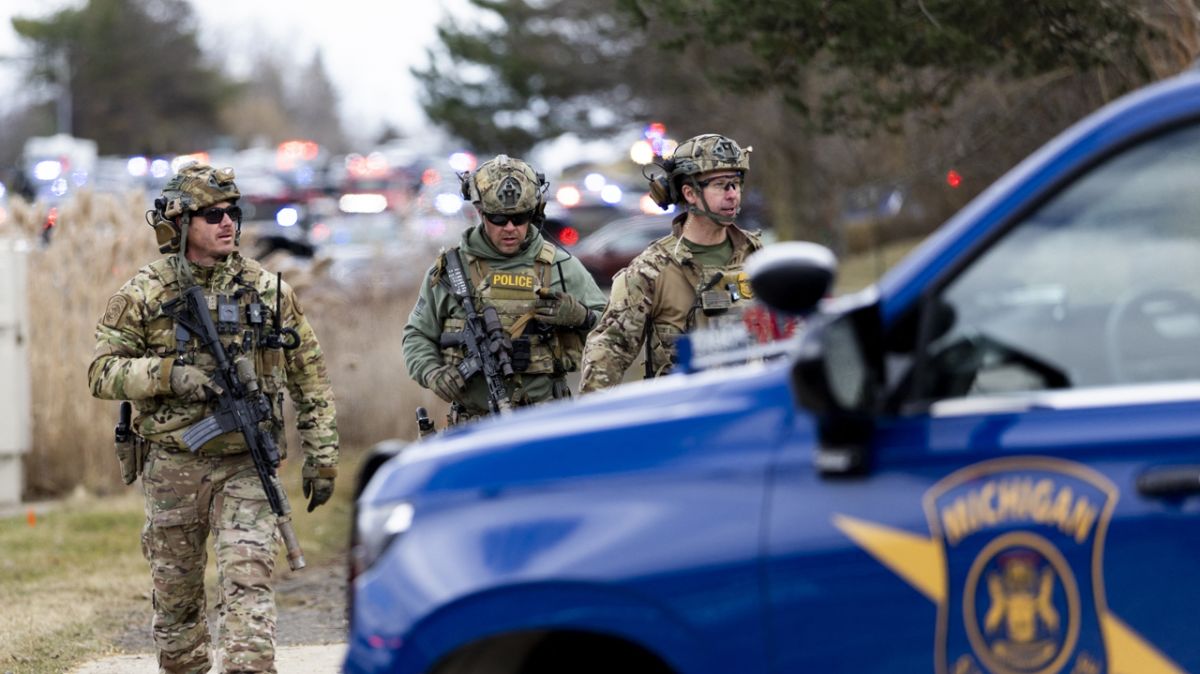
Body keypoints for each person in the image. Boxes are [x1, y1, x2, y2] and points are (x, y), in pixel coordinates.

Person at [87, 162, 339, 674]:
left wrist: (323, 456)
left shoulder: (268, 292)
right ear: (180, 224)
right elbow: (101, 372)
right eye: (212, 215)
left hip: (247, 465)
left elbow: (309, 377)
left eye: (233, 213)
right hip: (173, 466)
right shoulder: (146, 292)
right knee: (178, 608)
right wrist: (166, 375)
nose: (228, 223)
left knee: (249, 586)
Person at [403, 154, 607, 424]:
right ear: (480, 213)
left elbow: (614, 329)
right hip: (475, 424)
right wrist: (432, 372)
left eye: (520, 218)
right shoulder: (450, 271)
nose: (510, 228)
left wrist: (583, 317)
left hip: (546, 422)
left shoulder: (560, 266)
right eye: (499, 219)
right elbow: (417, 335)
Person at [579, 133, 763, 393]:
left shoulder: (758, 259)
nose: (733, 194)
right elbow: (608, 352)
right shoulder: (650, 270)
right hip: (685, 418)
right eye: (721, 184)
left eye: (736, 183)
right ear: (690, 193)